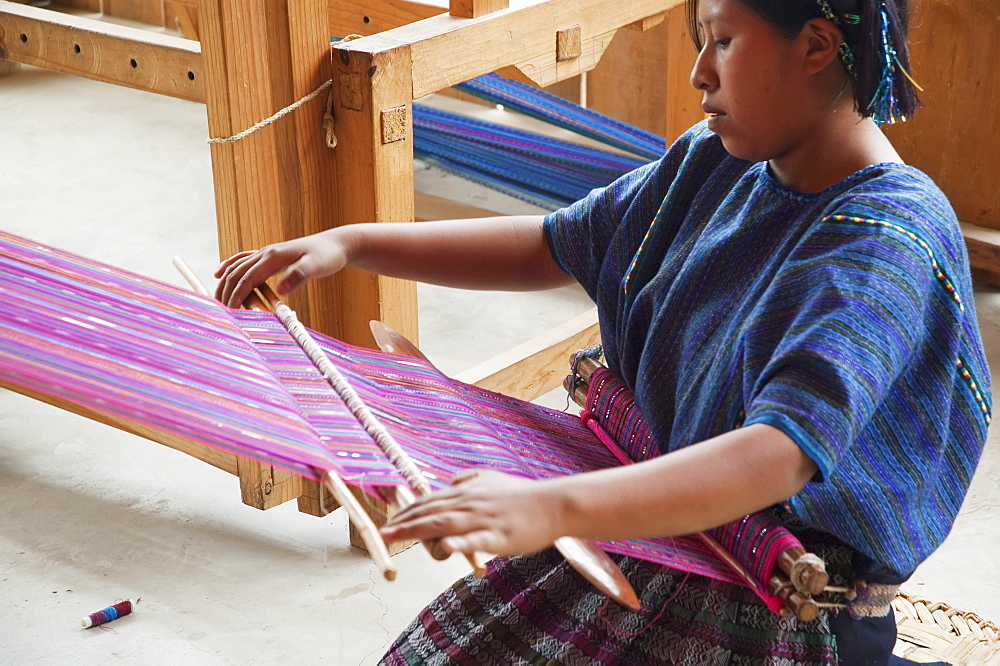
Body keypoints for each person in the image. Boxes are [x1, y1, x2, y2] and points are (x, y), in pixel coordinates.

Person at [215, 0, 990, 661]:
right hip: (665, 527)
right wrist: (350, 244)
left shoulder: (885, 241)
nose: (700, 73)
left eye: (723, 40)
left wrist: (552, 508)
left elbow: (776, 457)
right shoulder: (716, 164)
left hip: (781, 596)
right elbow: (556, 242)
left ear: (817, 46)